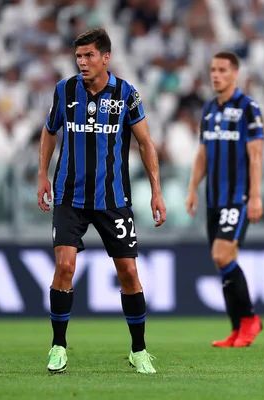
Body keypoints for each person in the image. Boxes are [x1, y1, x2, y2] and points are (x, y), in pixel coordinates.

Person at [36, 28, 166, 374]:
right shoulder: (64, 90)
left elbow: (146, 143)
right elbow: (50, 131)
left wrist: (156, 190)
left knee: (128, 272)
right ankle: (58, 346)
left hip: (113, 198)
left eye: (89, 55)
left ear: (105, 57)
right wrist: (41, 175)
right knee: (64, 267)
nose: (82, 62)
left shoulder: (125, 94)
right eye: (78, 56)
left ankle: (139, 350)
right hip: (69, 196)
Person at [185, 51, 264, 348]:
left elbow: (256, 155)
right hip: (213, 198)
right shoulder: (208, 110)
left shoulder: (248, 108)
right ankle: (236, 328)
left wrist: (255, 196)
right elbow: (203, 154)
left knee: (222, 255)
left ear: (235, 74)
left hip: (237, 197)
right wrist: (193, 188)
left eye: (221, 70)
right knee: (223, 263)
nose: (215, 74)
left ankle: (251, 319)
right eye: (212, 70)